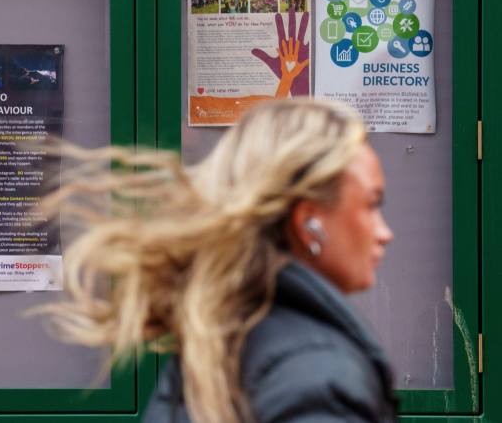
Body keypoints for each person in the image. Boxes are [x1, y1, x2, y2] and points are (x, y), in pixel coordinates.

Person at [31, 100, 398, 423]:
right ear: (308, 223)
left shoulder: (221, 341)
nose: (384, 233)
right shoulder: (317, 376)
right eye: (371, 204)